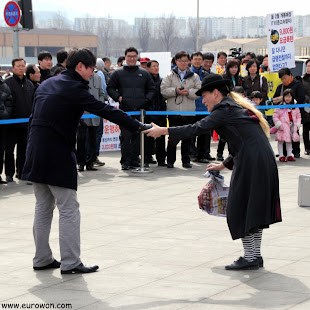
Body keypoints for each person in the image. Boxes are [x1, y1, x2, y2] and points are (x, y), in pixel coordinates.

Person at [21, 48, 149, 274]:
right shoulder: (74, 88)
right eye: (91, 69)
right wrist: (140, 127)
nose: (93, 73)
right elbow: (106, 110)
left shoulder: (48, 83)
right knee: (69, 208)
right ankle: (70, 262)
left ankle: (41, 258)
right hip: (57, 154)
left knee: (42, 207)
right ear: (80, 66)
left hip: (36, 152)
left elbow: (33, 119)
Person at [144, 74, 282, 270]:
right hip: (261, 160)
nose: (203, 100)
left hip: (252, 163)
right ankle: (254, 256)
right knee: (253, 210)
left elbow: (197, 128)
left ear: (216, 93)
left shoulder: (224, 109)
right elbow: (242, 144)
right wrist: (222, 166)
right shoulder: (235, 107)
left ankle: (251, 257)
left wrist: (165, 131)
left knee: (240, 209)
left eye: (205, 95)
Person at [107, 47, 155, 170]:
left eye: (134, 56)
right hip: (125, 110)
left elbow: (151, 89)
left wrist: (146, 100)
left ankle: (135, 160)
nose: (132, 58)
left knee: (138, 136)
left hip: (140, 111)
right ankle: (125, 161)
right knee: (125, 136)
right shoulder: (118, 73)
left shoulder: (144, 73)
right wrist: (119, 98)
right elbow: (110, 88)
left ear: (137, 57)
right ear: (125, 57)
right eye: (129, 56)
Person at [161, 51, 201, 168]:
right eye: (180, 61)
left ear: (188, 62)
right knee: (172, 138)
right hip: (174, 111)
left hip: (189, 112)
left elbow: (199, 91)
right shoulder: (169, 76)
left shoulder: (194, 76)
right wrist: (176, 91)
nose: (183, 63)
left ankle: (186, 161)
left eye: (185, 61)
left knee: (187, 138)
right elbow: (163, 91)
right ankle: (170, 161)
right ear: (176, 62)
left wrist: (188, 92)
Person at [4, 58, 34, 182]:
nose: (21, 68)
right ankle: (9, 174)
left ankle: (21, 172)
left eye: (23, 65)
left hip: (25, 123)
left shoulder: (29, 83)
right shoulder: (7, 83)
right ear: (13, 68)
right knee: (9, 150)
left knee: (23, 149)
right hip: (10, 123)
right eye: (18, 66)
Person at [76, 70, 105, 172]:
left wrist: (99, 106)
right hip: (82, 115)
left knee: (93, 140)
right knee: (81, 140)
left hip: (95, 114)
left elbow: (101, 93)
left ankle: (90, 162)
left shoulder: (98, 78)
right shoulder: (79, 77)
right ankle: (81, 163)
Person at [273, 67, 305, 158]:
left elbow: (301, 98)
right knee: (282, 132)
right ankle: (283, 152)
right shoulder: (280, 86)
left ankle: (296, 151)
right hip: (283, 115)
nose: (284, 80)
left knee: (294, 132)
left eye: (285, 78)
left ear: (290, 75)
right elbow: (274, 99)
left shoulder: (297, 85)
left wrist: (290, 100)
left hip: (294, 114)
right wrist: (277, 100)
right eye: (282, 79)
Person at [190, 51, 214, 163]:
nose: (198, 61)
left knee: (204, 132)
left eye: (200, 59)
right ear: (191, 60)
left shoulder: (206, 75)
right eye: (196, 59)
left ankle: (203, 153)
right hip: (191, 108)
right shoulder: (188, 74)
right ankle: (192, 154)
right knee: (191, 132)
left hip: (204, 107)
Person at [145, 60, 167, 166]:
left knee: (161, 136)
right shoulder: (145, 80)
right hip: (149, 111)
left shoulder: (163, 81)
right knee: (148, 136)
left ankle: (161, 158)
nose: (156, 68)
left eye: (157, 66)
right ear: (148, 68)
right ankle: (147, 157)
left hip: (161, 111)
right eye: (154, 66)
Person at [273, 89, 301, 162]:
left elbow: (298, 116)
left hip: (291, 126)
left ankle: (289, 155)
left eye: (289, 96)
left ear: (292, 97)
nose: (287, 98)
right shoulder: (280, 106)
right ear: (283, 97)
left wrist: (297, 125)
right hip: (282, 126)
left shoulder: (295, 107)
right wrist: (279, 124)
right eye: (286, 96)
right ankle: (281, 155)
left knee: (289, 141)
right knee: (280, 141)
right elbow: (275, 116)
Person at [0, 75, 12, 184]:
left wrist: (5, 113)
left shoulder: (4, 85)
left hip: (2, 121)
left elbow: (9, 101)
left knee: (1, 149)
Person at [302, 59, 310, 155]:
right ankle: (307, 148)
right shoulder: (302, 79)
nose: (308, 68)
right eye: (307, 66)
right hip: (306, 107)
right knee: (305, 128)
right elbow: (301, 93)